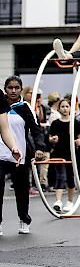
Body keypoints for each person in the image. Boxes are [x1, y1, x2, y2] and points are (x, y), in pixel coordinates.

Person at [0, 76, 45, 235]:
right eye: (10, 87)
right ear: (5, 89)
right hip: (0, 155)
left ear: (21, 89)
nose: (13, 91)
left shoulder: (26, 108)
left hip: (20, 155)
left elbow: (36, 130)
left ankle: (24, 219)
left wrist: (39, 147)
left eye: (16, 88)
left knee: (22, 190)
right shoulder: (0, 104)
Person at [48, 98, 80, 213]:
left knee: (70, 177)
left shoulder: (75, 122)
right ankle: (58, 201)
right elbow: (49, 137)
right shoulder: (55, 123)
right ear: (59, 108)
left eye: (67, 106)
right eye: (62, 106)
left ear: (70, 108)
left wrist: (78, 141)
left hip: (71, 153)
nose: (65, 109)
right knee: (60, 175)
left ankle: (69, 201)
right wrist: (53, 140)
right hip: (59, 152)